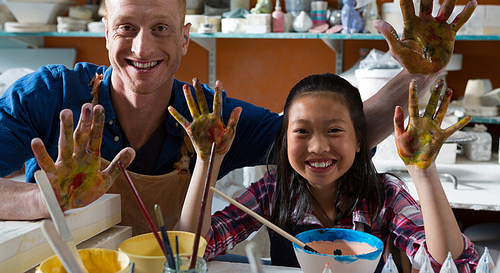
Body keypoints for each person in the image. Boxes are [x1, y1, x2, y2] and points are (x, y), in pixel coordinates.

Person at [0, 0, 477, 235]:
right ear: (105, 33)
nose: (142, 47)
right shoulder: (50, 96)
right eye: (126, 27)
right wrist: (40, 201)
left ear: (185, 39)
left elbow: (323, 138)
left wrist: (414, 75)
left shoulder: (207, 117)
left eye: (161, 28)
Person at [174, 74, 478, 272]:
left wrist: (424, 172)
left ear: (359, 140)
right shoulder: (274, 190)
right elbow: (191, 252)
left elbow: (452, 265)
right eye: (302, 131)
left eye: (334, 130)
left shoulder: (383, 195)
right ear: (284, 142)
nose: (318, 146)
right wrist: (207, 159)